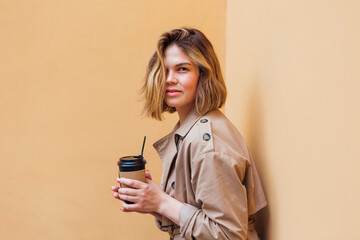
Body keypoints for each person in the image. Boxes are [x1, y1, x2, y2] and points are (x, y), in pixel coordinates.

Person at [111, 27, 267, 240]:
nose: (169, 79)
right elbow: (197, 213)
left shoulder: (207, 142)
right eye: (164, 70)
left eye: (182, 69)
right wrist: (154, 202)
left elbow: (228, 234)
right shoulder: (189, 130)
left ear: (203, 74)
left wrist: (163, 202)